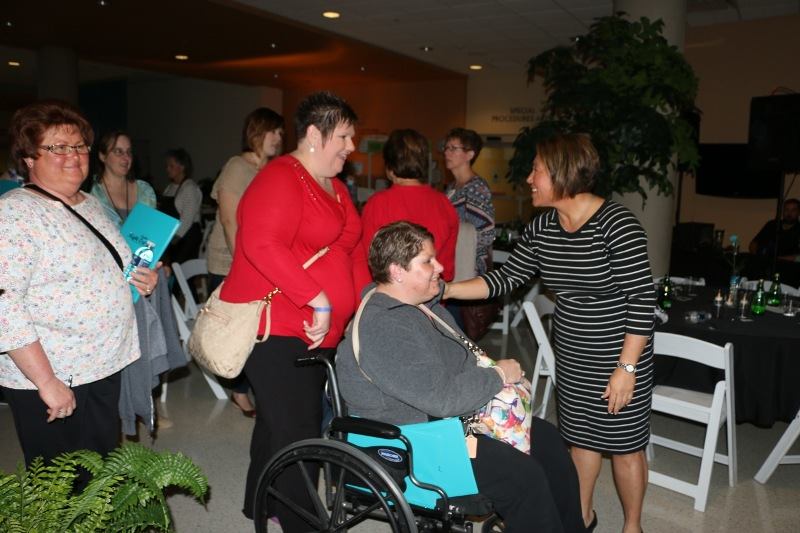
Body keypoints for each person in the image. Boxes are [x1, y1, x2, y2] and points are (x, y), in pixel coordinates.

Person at [445, 133, 655, 533]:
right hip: (573, 352)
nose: (529, 179)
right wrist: (447, 289)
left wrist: (626, 369)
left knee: (625, 446)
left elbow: (642, 301)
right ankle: (581, 519)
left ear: (562, 173)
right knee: (582, 440)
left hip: (619, 354)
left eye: (536, 170)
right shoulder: (543, 226)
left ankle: (633, 526)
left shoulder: (617, 225)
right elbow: (505, 277)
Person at [337, 221, 586, 533]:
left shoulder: (421, 308)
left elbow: (465, 364)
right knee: (523, 477)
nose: (440, 267)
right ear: (397, 271)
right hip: (412, 442)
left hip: (449, 421)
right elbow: (444, 399)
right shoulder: (385, 328)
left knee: (547, 440)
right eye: (428, 261)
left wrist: (497, 381)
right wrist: (498, 375)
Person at [221, 91, 362, 528]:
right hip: (278, 328)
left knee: (278, 424)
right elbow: (260, 244)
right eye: (344, 137)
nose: (352, 147)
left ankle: (260, 504)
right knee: (299, 434)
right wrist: (318, 298)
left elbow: (350, 249)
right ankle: (303, 522)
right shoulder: (280, 177)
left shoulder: (335, 186)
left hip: (316, 332)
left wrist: (358, 305)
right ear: (315, 135)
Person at [0, 100, 159, 467]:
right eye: (58, 147)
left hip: (101, 365)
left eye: (79, 146)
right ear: (29, 157)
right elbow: (5, 305)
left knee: (97, 473)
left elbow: (107, 265)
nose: (73, 156)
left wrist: (140, 279)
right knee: (61, 484)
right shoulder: (15, 213)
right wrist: (47, 382)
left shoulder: (88, 203)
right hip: (56, 372)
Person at [206, 107, 284, 418]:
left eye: (281, 133)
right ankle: (239, 389)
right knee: (238, 330)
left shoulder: (272, 170)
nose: (278, 138)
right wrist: (245, 264)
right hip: (232, 261)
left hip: (260, 260)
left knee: (259, 329)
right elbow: (229, 220)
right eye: (273, 131)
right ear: (257, 132)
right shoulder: (237, 166)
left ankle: (251, 385)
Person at [354, 128, 459, 290]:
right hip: (432, 295)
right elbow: (448, 271)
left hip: (391, 297)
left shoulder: (377, 204)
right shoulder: (444, 204)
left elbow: (369, 264)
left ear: (389, 166)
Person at [443, 127, 495, 275]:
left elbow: (486, 234)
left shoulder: (476, 187)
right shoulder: (452, 187)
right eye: (446, 147)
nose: (446, 153)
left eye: (453, 148)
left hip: (469, 266)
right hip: (453, 261)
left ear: (469, 155)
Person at [89, 130, 157, 225]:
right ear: (102, 156)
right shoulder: (90, 189)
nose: (126, 157)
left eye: (129, 152)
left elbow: (149, 227)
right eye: (118, 151)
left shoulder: (145, 191)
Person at [160, 148, 202, 265]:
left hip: (185, 239)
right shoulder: (169, 188)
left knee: (181, 272)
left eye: (171, 166)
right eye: (167, 166)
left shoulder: (189, 188)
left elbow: (187, 220)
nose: (167, 169)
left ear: (182, 167)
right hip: (171, 238)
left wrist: (172, 241)